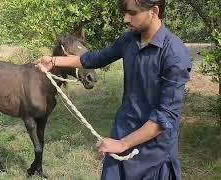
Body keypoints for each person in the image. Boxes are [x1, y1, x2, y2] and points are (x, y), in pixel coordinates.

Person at [36, 0, 191, 179]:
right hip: (123, 130)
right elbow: (96, 58)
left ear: (153, 11)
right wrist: (54, 61)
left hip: (154, 150)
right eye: (125, 12)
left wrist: (123, 144)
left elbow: (165, 117)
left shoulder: (174, 54)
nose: (125, 19)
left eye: (132, 13)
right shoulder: (129, 40)